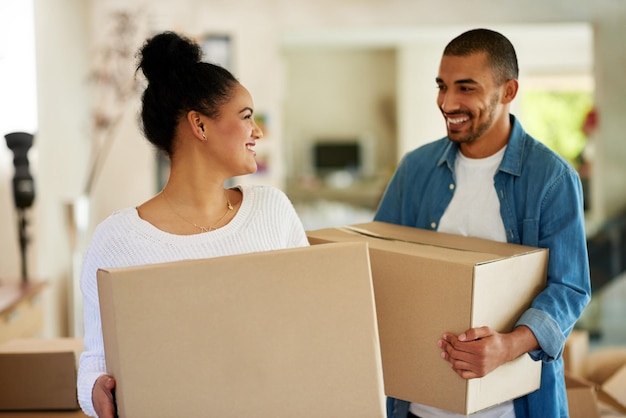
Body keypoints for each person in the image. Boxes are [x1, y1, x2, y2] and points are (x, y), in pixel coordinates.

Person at [76, 31, 309, 418]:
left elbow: (310, 324)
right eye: (246, 116)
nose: (258, 132)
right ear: (199, 125)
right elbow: (96, 361)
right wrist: (96, 390)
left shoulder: (273, 210)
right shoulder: (117, 241)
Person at [375, 28, 591, 418]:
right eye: (442, 86)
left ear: (508, 92)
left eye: (466, 88)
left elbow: (570, 288)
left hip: (512, 408)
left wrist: (507, 346)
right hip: (418, 405)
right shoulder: (415, 169)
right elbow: (378, 266)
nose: (447, 102)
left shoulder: (551, 178)